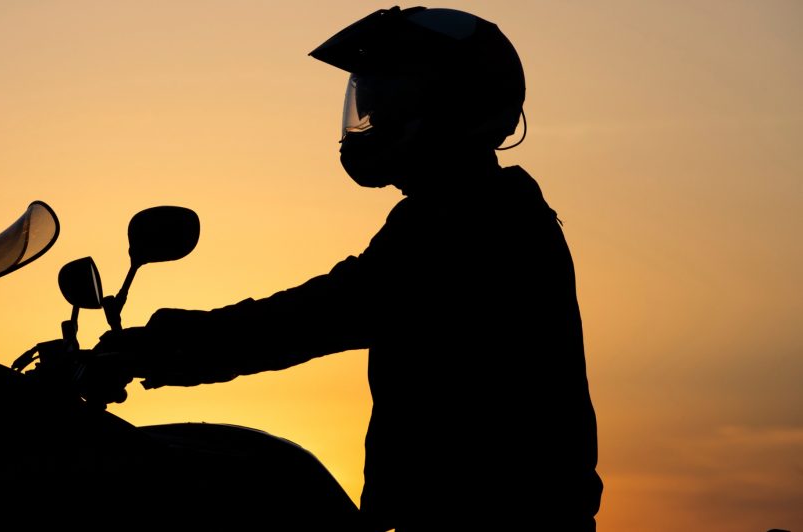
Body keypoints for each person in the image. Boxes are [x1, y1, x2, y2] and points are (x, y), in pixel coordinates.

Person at [92, 6, 603, 531]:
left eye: (389, 97)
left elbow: (318, 315)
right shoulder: (464, 210)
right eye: (369, 97)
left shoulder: (477, 222)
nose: (370, 115)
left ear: (451, 104)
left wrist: (150, 348)